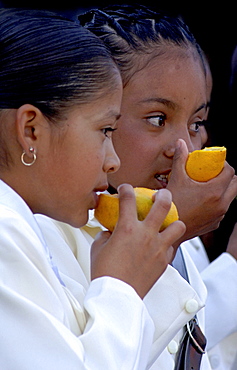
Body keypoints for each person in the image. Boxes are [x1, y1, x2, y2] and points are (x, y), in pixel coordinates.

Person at [34, 5, 237, 369]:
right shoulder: (46, 235)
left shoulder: (188, 242)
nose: (185, 149)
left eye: (197, 123)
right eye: (158, 119)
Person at [0, 9, 189, 369]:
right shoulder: (4, 231)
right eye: (104, 131)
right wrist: (122, 287)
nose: (112, 161)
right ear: (30, 131)